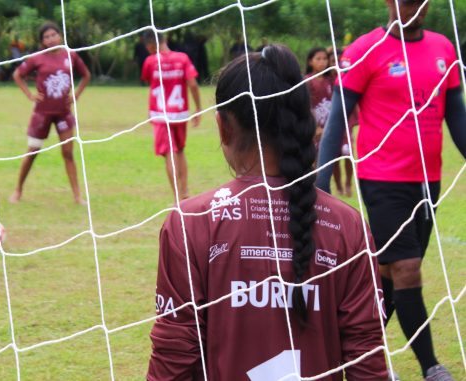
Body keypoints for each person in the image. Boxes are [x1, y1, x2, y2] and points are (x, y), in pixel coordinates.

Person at [147, 44, 388, 381]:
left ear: (223, 127)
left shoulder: (190, 222)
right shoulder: (348, 225)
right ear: (303, 123)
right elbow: (368, 359)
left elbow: (174, 357)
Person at [316, 1, 466, 379]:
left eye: (417, 1)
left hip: (427, 182)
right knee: (407, 269)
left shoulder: (443, 49)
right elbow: (337, 121)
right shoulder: (364, 50)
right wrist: (321, 182)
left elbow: (457, 116)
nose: (410, 7)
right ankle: (431, 366)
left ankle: (343, 350)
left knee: (387, 275)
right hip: (381, 179)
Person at [9, 21, 91, 204]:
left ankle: (78, 196)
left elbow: (86, 75)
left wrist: (76, 94)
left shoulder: (71, 55)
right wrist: (30, 94)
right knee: (32, 152)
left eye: (54, 35)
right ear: (42, 41)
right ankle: (18, 190)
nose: (51, 39)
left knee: (69, 153)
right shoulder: (37, 58)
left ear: (60, 36)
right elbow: (17, 75)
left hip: (63, 113)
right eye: (47, 37)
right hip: (42, 113)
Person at [141, 30, 202, 201]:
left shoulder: (150, 61)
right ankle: (185, 190)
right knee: (180, 150)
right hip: (180, 112)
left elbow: (150, 83)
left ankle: (177, 197)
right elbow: (193, 84)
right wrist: (198, 108)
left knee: (169, 152)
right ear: (165, 39)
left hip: (161, 115)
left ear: (150, 45)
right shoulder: (182, 58)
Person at [328, 47, 356, 198]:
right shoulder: (325, 80)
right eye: (333, 61)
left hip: (347, 123)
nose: (336, 65)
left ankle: (348, 183)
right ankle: (338, 185)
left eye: (339, 61)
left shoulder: (348, 78)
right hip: (329, 123)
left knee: (347, 153)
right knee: (335, 156)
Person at [304, 47, 333, 148]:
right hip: (315, 125)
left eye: (325, 59)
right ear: (310, 62)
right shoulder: (307, 80)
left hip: (329, 124)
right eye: (318, 59)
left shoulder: (331, 80)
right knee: (317, 155)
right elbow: (307, 105)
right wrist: (315, 127)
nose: (322, 62)